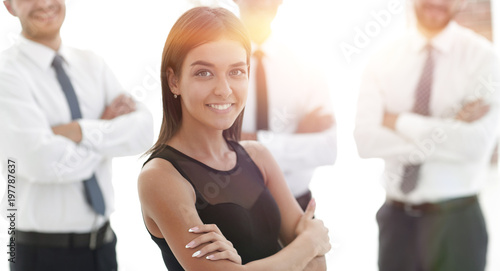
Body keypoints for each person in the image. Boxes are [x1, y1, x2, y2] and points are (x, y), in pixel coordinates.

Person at [138, 6, 330, 271]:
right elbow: (313, 251)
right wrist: (308, 242)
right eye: (204, 72)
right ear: (173, 81)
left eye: (236, 71)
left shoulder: (257, 156)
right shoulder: (160, 177)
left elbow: (318, 266)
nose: (224, 89)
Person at [0, 0, 153, 270]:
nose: (44, 3)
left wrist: (79, 130)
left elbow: (142, 131)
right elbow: (44, 163)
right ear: (9, 6)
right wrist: (106, 127)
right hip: (42, 256)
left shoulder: (92, 64)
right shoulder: (6, 74)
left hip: (104, 248)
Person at [354, 0, 499, 270]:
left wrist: (398, 121)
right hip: (397, 223)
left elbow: (475, 146)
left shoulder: (485, 59)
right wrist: (449, 127)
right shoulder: (382, 58)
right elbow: (365, 141)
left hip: (458, 226)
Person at [234, 0, 337, 211]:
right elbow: (205, 145)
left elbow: (327, 149)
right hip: (233, 210)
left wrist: (251, 140)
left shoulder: (307, 64)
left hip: (297, 206)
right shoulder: (212, 62)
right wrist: (296, 136)